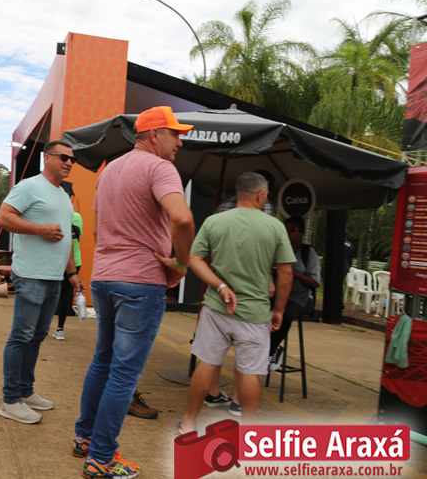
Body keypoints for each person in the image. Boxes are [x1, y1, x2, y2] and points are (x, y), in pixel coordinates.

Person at [73, 106, 195, 478]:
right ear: (154, 134)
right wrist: (182, 263)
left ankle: (85, 438)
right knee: (124, 373)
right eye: (175, 134)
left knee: (103, 361)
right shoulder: (160, 168)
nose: (180, 142)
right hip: (140, 282)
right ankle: (102, 458)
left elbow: (97, 231)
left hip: (104, 278)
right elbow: (182, 218)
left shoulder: (109, 170)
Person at [180, 172, 295, 434]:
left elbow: (194, 259)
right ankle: (250, 433)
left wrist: (220, 286)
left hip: (216, 307)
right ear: (260, 195)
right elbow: (286, 273)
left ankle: (188, 423)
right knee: (249, 372)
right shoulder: (275, 226)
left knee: (207, 363)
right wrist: (278, 309)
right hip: (255, 313)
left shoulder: (214, 221)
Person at [0, 140, 85, 425]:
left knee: (36, 337)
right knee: (21, 337)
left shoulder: (62, 195)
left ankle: (26, 390)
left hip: (54, 277)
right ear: (47, 158)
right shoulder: (29, 186)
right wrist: (39, 229)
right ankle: (11, 400)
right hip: (31, 274)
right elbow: (3, 217)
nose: (69, 163)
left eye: (72, 159)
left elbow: (66, 238)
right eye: (63, 157)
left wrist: (72, 273)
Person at [268, 217, 320, 369]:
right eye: (285, 229)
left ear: (301, 233)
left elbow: (314, 282)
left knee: (285, 314)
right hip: (275, 294)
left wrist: (290, 272)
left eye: (293, 230)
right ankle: (266, 347)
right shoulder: (274, 249)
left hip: (299, 298)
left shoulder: (307, 253)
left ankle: (270, 352)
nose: (288, 233)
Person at [52, 184, 83, 341]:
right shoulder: (77, 217)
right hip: (75, 261)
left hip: (57, 259)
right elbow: (78, 237)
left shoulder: (53, 215)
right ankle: (60, 329)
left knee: (49, 292)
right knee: (66, 295)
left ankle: (40, 326)